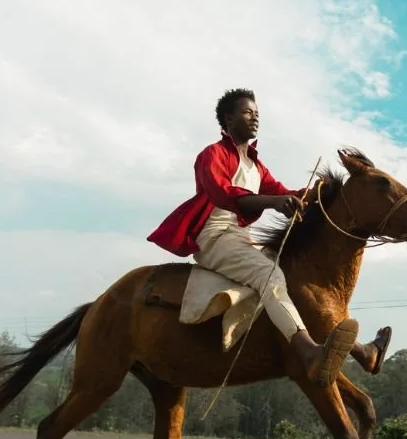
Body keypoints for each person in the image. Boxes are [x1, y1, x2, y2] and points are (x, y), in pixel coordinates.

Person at [148, 88, 391, 384]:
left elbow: (281, 192)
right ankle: (309, 353)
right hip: (215, 235)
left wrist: (313, 194)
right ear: (228, 119)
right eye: (248, 113)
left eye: (257, 114)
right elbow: (223, 194)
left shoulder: (256, 165)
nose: (255, 118)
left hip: (241, 238)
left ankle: (363, 352)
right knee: (270, 276)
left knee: (295, 282)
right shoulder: (212, 155)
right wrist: (272, 202)